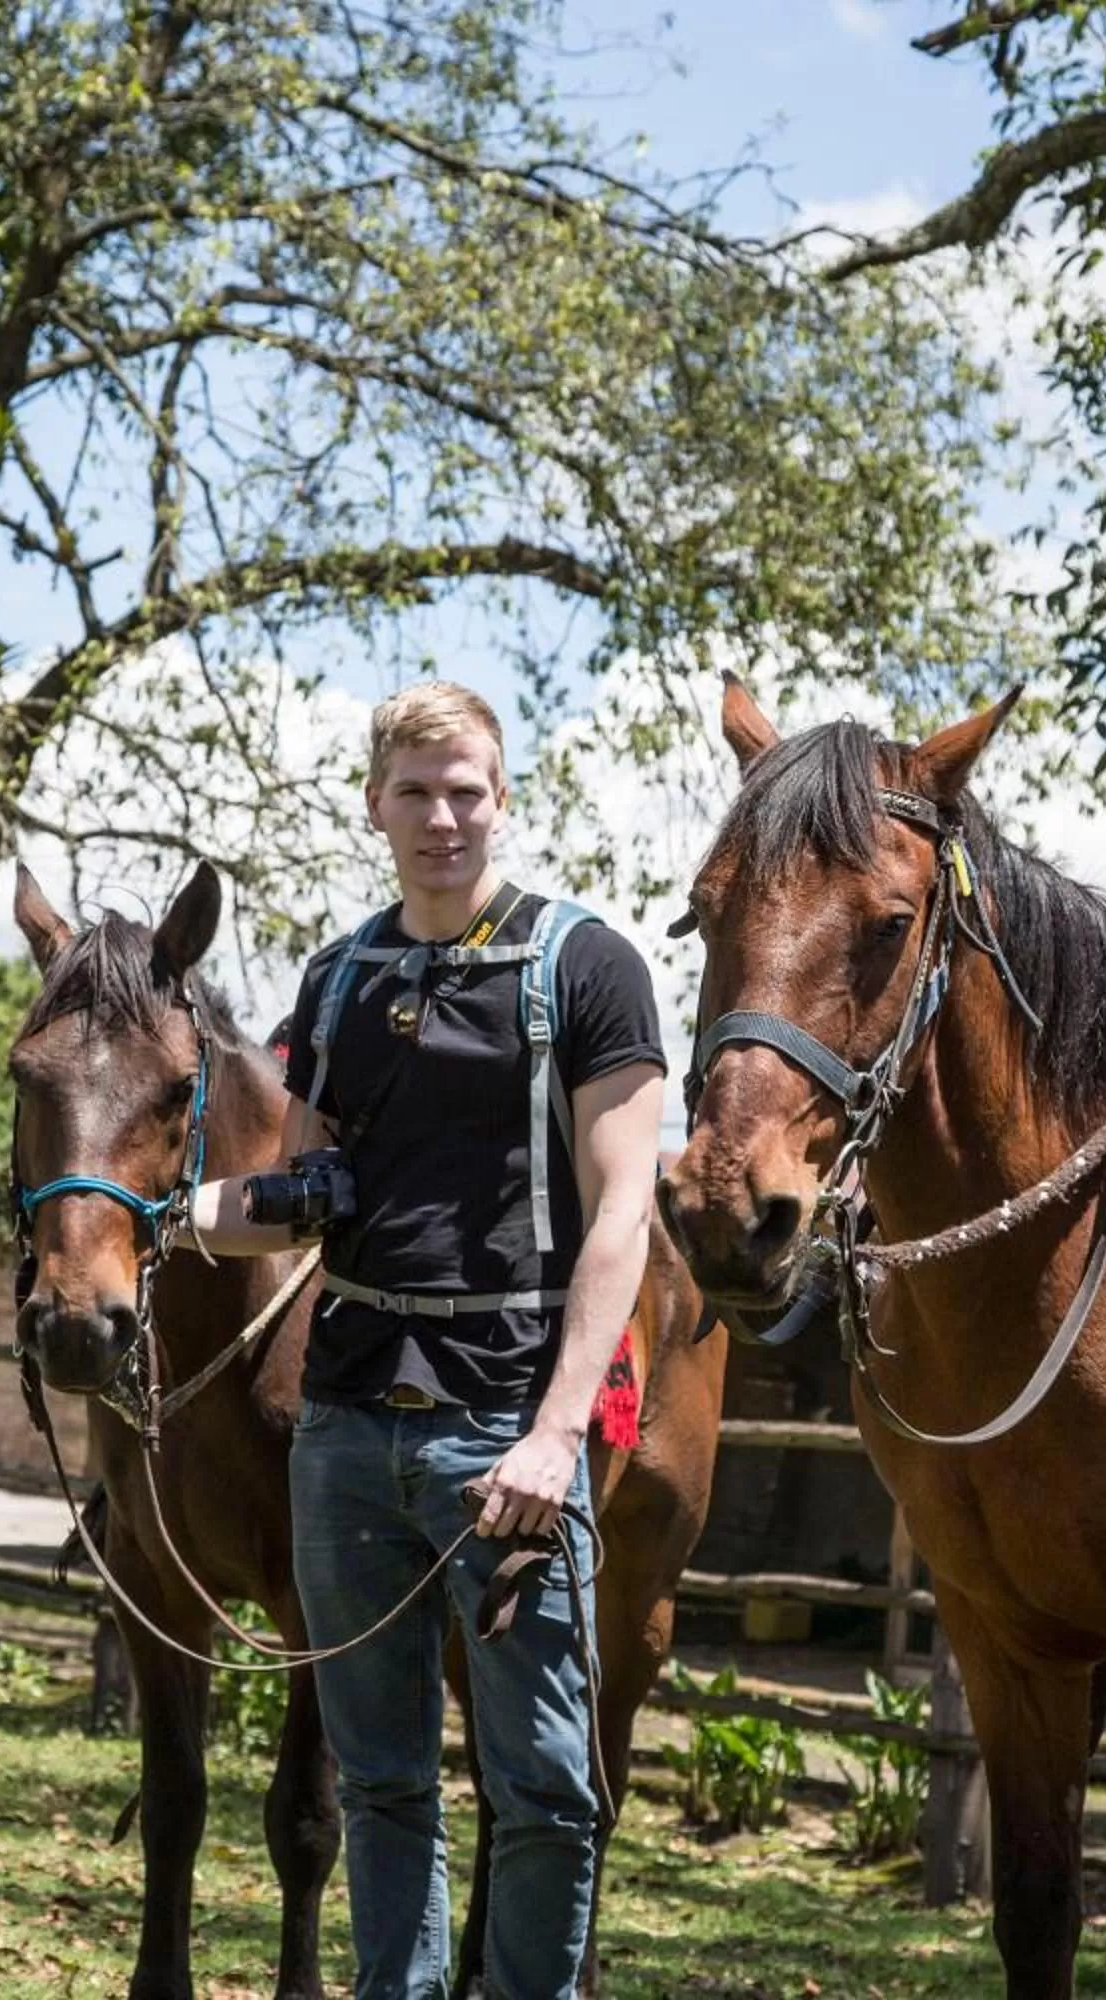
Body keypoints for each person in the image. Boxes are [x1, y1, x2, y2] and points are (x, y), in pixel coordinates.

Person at [183, 680, 665, 2000]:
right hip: (342, 1431)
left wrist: (557, 1434)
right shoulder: (336, 983)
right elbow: (302, 1197)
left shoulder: (586, 968)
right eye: (416, 792)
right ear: (375, 806)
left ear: (502, 800)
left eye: (467, 791)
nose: (443, 816)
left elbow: (626, 1210)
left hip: (503, 1433)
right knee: (384, 1784)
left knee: (549, 1790)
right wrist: (162, 1214)